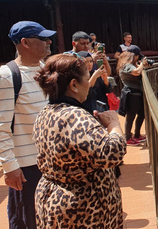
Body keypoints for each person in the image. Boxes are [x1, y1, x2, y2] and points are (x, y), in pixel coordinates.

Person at [33, 54, 126, 228]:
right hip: (84, 207)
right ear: (74, 85)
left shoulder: (46, 112)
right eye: (86, 79)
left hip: (54, 198)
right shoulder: (75, 116)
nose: (89, 85)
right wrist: (114, 125)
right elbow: (113, 152)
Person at [0, 20, 56, 228]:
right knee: (29, 220)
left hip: (50, 161)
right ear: (25, 43)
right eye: (43, 39)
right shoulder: (5, 77)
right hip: (27, 167)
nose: (49, 42)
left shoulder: (44, 69)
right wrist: (10, 167)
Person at [116, 45, 147, 145]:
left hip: (137, 93)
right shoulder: (127, 65)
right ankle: (128, 137)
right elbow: (136, 72)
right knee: (131, 116)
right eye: (138, 56)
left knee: (141, 114)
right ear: (134, 55)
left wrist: (140, 64)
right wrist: (142, 64)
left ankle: (137, 135)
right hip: (131, 93)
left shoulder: (130, 64)